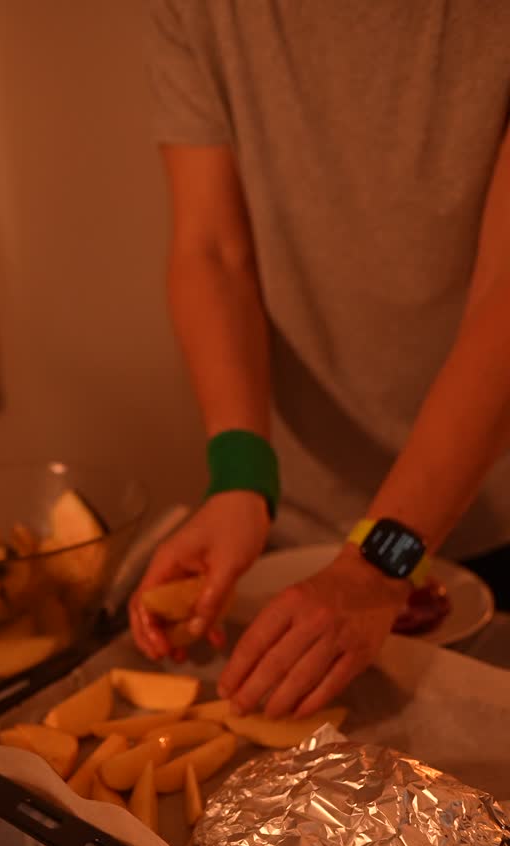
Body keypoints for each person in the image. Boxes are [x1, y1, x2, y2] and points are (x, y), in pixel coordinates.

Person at [131, 1, 510, 718]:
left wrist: (380, 562)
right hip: (304, 528)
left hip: (490, 513)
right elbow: (211, 249)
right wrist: (240, 479)